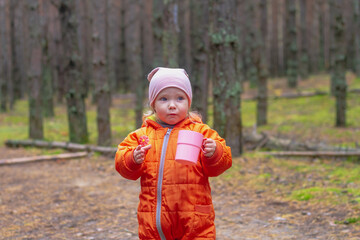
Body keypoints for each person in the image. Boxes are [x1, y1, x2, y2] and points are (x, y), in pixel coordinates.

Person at [115, 67, 232, 239]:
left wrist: (214, 152)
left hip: (194, 220)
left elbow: (222, 163)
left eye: (180, 98)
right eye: (163, 98)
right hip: (153, 221)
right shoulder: (143, 135)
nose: (172, 105)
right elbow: (122, 164)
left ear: (188, 101)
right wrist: (133, 158)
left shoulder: (201, 131)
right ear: (153, 104)